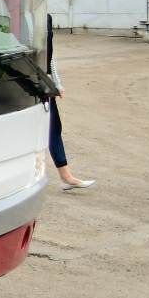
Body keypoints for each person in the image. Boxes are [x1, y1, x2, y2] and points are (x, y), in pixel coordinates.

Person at [46, 16, 96, 191]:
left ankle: (66, 177)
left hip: (42, 83)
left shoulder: (45, 18)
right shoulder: (17, 16)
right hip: (24, 82)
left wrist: (57, 83)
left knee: (53, 128)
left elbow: (50, 55)